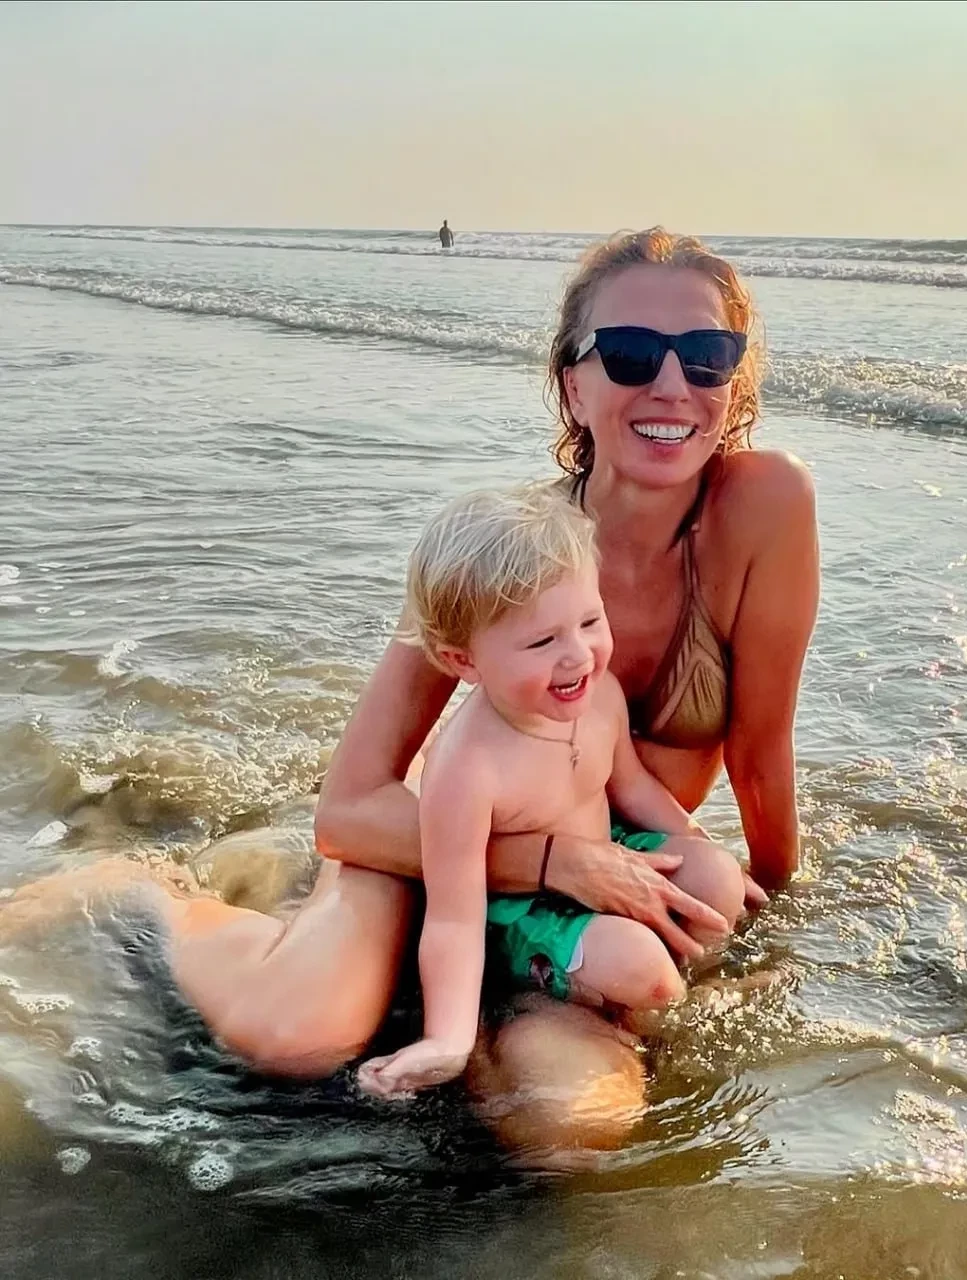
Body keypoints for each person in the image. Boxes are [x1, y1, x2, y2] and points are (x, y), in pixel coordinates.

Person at [313, 228, 819, 1154]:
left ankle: (534, 1025)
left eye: (708, 355)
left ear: (735, 380)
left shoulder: (765, 505)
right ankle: (467, 1021)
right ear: (573, 386)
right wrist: (553, 861)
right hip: (467, 870)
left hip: (623, 884)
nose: (673, 384)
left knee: (586, 1126)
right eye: (629, 353)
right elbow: (346, 813)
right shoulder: (504, 558)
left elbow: (759, 754)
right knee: (308, 1038)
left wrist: (779, 918)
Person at [357, 486, 734, 1099]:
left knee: (715, 877)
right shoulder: (468, 766)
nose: (578, 655)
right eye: (542, 642)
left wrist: (696, 841)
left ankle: (693, 983)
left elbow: (633, 787)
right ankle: (635, 1020)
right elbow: (453, 919)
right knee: (641, 966)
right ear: (464, 661)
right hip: (519, 911)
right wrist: (446, 1039)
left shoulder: (600, 694)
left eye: (590, 621)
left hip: (604, 852)